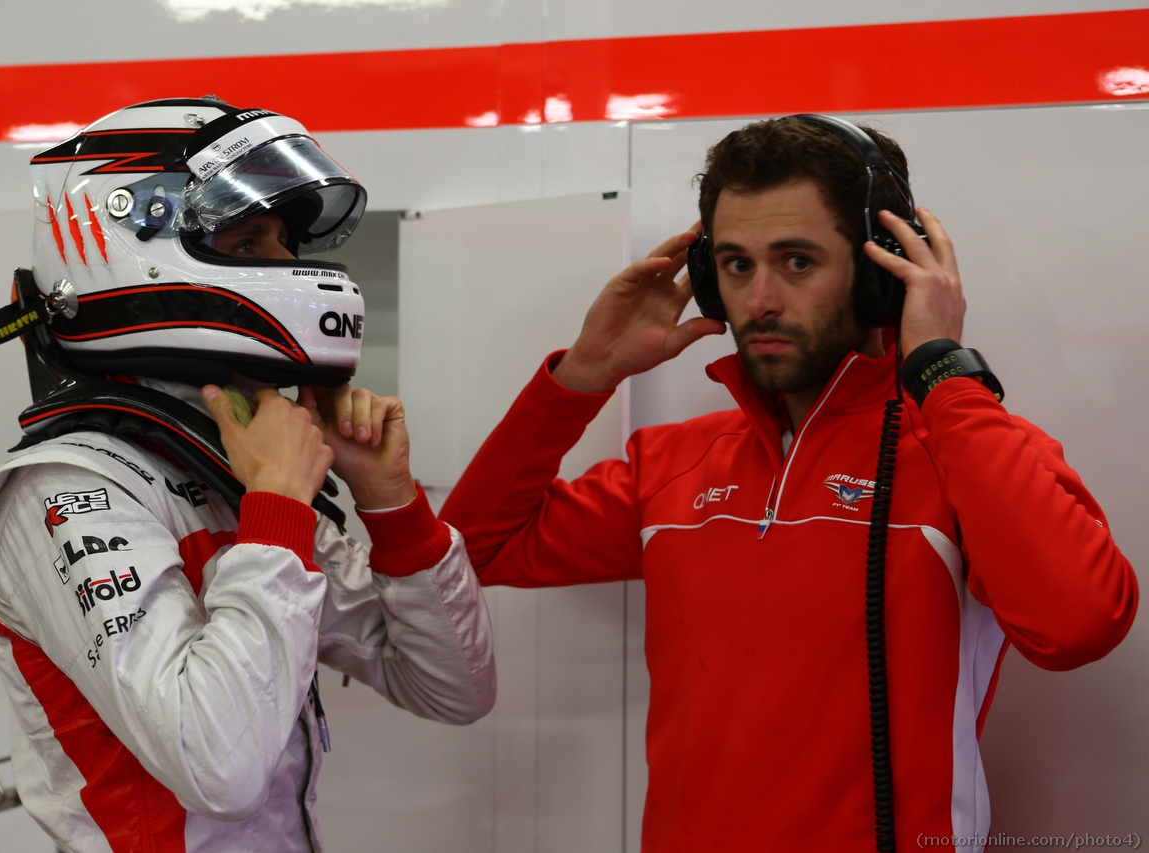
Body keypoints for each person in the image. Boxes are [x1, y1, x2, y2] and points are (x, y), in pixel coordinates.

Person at [439, 115, 1137, 851]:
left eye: (796, 261)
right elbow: (471, 549)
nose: (760, 300)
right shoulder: (673, 462)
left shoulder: (967, 448)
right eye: (736, 265)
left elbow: (1077, 625)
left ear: (881, 272)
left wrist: (941, 370)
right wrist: (582, 377)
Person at [0, 97, 495, 853]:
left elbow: (456, 688)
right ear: (125, 248)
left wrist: (390, 501)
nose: (286, 267)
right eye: (250, 242)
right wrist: (277, 505)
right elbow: (220, 767)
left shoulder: (232, 459)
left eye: (283, 241)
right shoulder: (62, 487)